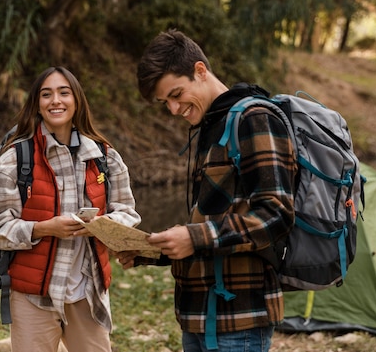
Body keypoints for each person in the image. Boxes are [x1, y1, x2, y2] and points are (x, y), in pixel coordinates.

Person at [117, 29, 297, 352]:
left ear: (200, 71)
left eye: (176, 94)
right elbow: (208, 228)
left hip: (240, 320)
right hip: (199, 318)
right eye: (165, 103)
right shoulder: (212, 126)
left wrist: (194, 238)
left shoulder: (254, 119)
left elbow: (277, 215)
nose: (173, 109)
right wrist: (150, 251)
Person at [0, 66, 141, 352]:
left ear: (76, 100)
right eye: (47, 94)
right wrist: (44, 228)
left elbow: (127, 213)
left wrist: (101, 225)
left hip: (87, 292)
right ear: (37, 105)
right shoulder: (14, 160)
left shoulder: (105, 157)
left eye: (64, 92)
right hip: (32, 295)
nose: (56, 100)